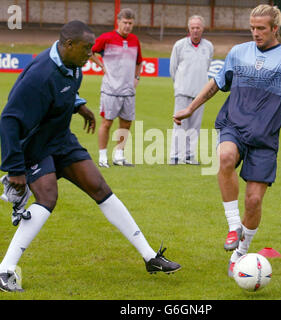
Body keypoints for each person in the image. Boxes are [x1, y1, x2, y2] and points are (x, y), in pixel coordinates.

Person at [0, 20, 181, 292]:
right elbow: (9, 120)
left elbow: (63, 92)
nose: (90, 54)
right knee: (48, 198)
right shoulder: (40, 74)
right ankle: (5, 271)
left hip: (61, 140)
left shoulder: (74, 67)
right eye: (86, 48)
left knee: (100, 187)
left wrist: (78, 105)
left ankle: (150, 258)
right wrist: (15, 168)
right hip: (35, 145)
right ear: (68, 45)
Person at [173, 5, 281, 276]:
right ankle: (233, 225)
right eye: (252, 28)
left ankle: (240, 254)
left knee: (253, 202)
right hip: (234, 124)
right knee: (225, 157)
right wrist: (190, 108)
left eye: (261, 28)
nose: (255, 33)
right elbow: (216, 83)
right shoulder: (238, 53)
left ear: (274, 29)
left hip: (265, 138)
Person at [90, 8, 142, 167]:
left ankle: (119, 156)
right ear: (118, 22)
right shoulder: (106, 38)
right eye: (125, 23)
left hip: (128, 90)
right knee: (107, 122)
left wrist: (136, 77)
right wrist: (101, 65)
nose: (127, 26)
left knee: (126, 123)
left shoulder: (135, 40)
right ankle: (103, 156)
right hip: (110, 90)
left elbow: (139, 61)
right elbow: (90, 51)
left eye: (130, 23)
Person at [169, 15, 214, 165]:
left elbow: (207, 67)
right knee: (179, 124)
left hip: (200, 93)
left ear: (203, 29)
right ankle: (175, 155)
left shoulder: (208, 46)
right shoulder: (179, 45)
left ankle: (189, 155)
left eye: (198, 28)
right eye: (193, 28)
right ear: (188, 29)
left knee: (195, 126)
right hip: (182, 91)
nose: (195, 30)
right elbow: (173, 68)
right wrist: (179, 85)